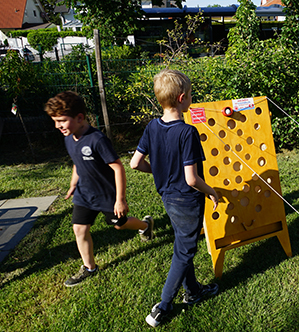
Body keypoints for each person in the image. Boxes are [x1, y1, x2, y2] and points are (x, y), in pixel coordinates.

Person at [130, 69, 220, 328]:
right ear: (182, 98)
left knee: (183, 244)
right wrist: (211, 191)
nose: (192, 98)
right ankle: (163, 306)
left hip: (167, 197)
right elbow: (192, 179)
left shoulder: (151, 127)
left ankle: (192, 291)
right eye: (191, 94)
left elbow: (136, 163)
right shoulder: (187, 132)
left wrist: (157, 171)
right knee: (185, 250)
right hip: (187, 200)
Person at [44, 91, 154, 287]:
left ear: (79, 118)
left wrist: (120, 199)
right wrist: (73, 184)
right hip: (84, 194)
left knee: (119, 225)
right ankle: (89, 267)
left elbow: (118, 167)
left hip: (106, 196)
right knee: (79, 229)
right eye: (55, 121)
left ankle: (145, 226)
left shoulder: (97, 139)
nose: (57, 126)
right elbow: (77, 163)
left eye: (61, 120)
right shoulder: (69, 137)